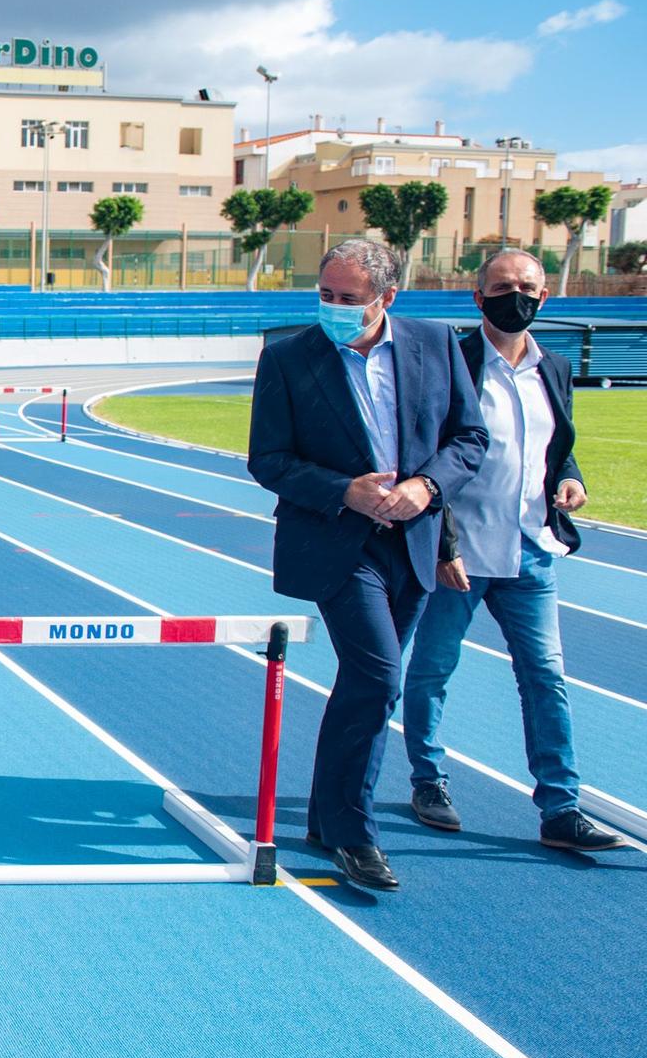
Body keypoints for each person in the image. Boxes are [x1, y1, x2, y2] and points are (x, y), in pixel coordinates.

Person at [247, 238, 486, 892]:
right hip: (336, 543)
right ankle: (356, 835)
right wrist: (344, 489)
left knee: (367, 681)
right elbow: (267, 459)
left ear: (387, 298)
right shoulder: (289, 357)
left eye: (348, 299)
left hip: (410, 541)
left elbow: (470, 439)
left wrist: (427, 487)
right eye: (325, 295)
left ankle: (327, 815)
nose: (333, 308)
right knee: (380, 677)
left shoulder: (435, 346)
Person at [400, 249, 622, 852]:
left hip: (532, 551)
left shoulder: (553, 366)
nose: (515, 296)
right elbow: (427, 460)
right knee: (431, 672)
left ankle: (561, 807)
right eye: (503, 286)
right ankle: (428, 779)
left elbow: (556, 448)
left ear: (544, 298)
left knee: (545, 676)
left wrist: (568, 478)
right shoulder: (453, 364)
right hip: (460, 553)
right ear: (478, 297)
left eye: (527, 287)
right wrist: (442, 545)